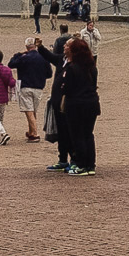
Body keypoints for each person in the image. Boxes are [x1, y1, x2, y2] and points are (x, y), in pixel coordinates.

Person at [52, 36, 99, 175]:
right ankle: (90, 165)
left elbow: (66, 88)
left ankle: (81, 164)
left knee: (78, 136)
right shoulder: (92, 67)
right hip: (92, 104)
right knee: (88, 135)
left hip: (76, 105)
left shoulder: (72, 68)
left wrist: (62, 86)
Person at [11, 37, 53, 141]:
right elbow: (49, 74)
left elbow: (11, 64)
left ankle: (35, 133)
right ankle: (30, 131)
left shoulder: (24, 57)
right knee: (33, 110)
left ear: (26, 46)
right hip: (38, 87)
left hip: (25, 86)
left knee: (28, 111)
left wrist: (18, 54)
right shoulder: (43, 57)